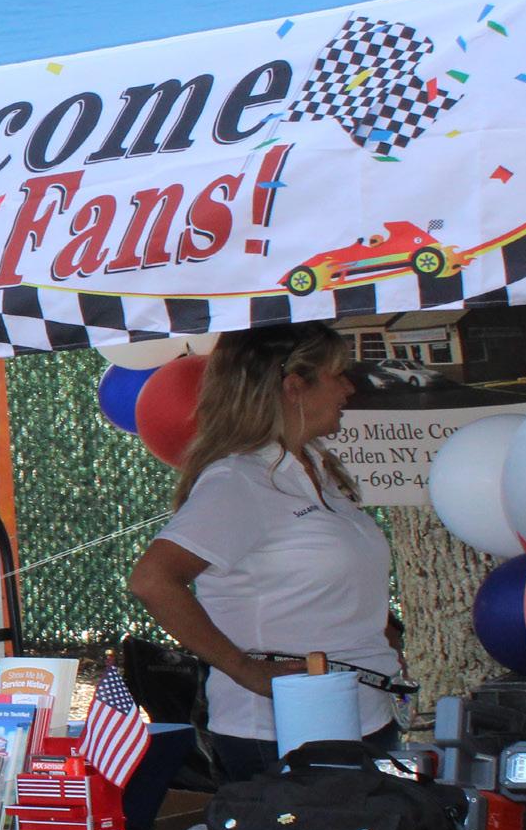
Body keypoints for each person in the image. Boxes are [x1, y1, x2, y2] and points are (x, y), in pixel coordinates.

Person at [127, 324, 403, 781]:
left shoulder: (314, 467)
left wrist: (382, 629)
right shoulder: (239, 480)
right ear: (294, 386)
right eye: (337, 374)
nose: (349, 388)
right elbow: (152, 580)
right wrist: (244, 669)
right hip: (283, 731)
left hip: (363, 714)